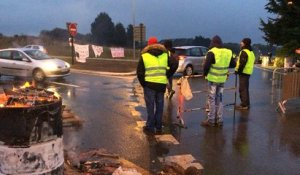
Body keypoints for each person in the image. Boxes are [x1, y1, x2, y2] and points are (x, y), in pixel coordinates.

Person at [136, 37, 177, 134]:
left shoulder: (144, 56)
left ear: (148, 45)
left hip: (149, 85)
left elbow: (139, 72)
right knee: (159, 106)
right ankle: (158, 127)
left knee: (150, 107)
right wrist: (167, 75)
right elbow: (174, 64)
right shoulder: (165, 55)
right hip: (161, 85)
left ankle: (150, 127)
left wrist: (144, 84)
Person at [201, 35, 236, 127]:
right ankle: (219, 120)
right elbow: (233, 64)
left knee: (211, 99)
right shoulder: (228, 52)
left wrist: (204, 74)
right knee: (219, 99)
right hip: (222, 80)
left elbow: (206, 66)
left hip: (212, 80)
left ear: (212, 43)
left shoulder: (211, 52)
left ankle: (211, 120)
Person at [235, 38, 255, 110]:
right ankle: (246, 103)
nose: (240, 43)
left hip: (243, 72)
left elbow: (242, 63)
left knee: (242, 89)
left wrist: (238, 71)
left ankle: (244, 105)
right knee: (245, 88)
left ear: (245, 43)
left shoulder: (244, 52)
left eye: (242, 42)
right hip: (248, 72)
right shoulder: (251, 52)